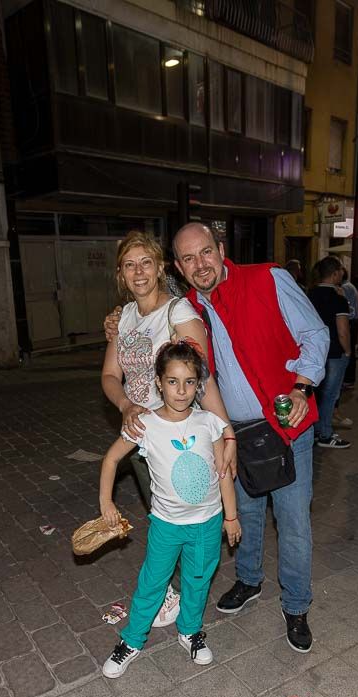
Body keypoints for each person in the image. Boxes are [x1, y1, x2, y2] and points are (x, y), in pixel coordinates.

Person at [171, 222, 327, 653]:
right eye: (188, 258)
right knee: (248, 514)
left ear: (221, 250)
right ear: (180, 267)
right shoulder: (186, 309)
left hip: (285, 427)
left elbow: (315, 333)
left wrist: (302, 386)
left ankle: (296, 605)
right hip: (233, 435)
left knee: (293, 522)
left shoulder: (268, 278)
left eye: (205, 252)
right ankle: (249, 580)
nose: (200, 264)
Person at [100, 230, 237, 629]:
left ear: (160, 267)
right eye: (130, 265)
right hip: (143, 433)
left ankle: (183, 603)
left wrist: (226, 433)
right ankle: (169, 592)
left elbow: (203, 377)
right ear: (121, 274)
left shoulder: (179, 314)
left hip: (179, 436)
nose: (139, 272)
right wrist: (126, 404)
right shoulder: (124, 317)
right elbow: (110, 375)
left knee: (186, 514)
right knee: (162, 515)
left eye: (146, 263)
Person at [97, 342, 240, 678]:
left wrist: (231, 517)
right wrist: (106, 501)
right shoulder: (145, 424)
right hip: (167, 525)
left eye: (190, 382)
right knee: (153, 582)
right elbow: (112, 458)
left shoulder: (209, 423)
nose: (181, 390)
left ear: (198, 384)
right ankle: (132, 640)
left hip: (207, 523)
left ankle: (189, 631)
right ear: (159, 382)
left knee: (198, 579)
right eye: (173, 381)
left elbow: (223, 474)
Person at [308, 257, 351, 449]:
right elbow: (342, 330)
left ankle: (316, 430)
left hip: (314, 351)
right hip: (334, 352)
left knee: (315, 393)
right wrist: (348, 351)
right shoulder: (338, 298)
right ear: (334, 273)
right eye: (341, 270)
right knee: (330, 394)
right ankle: (325, 434)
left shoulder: (309, 295)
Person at [340, 268, 358, 395]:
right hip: (352, 322)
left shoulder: (346, 288)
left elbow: (347, 309)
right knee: (350, 351)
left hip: (350, 322)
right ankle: (349, 379)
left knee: (348, 352)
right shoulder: (349, 286)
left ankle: (348, 379)